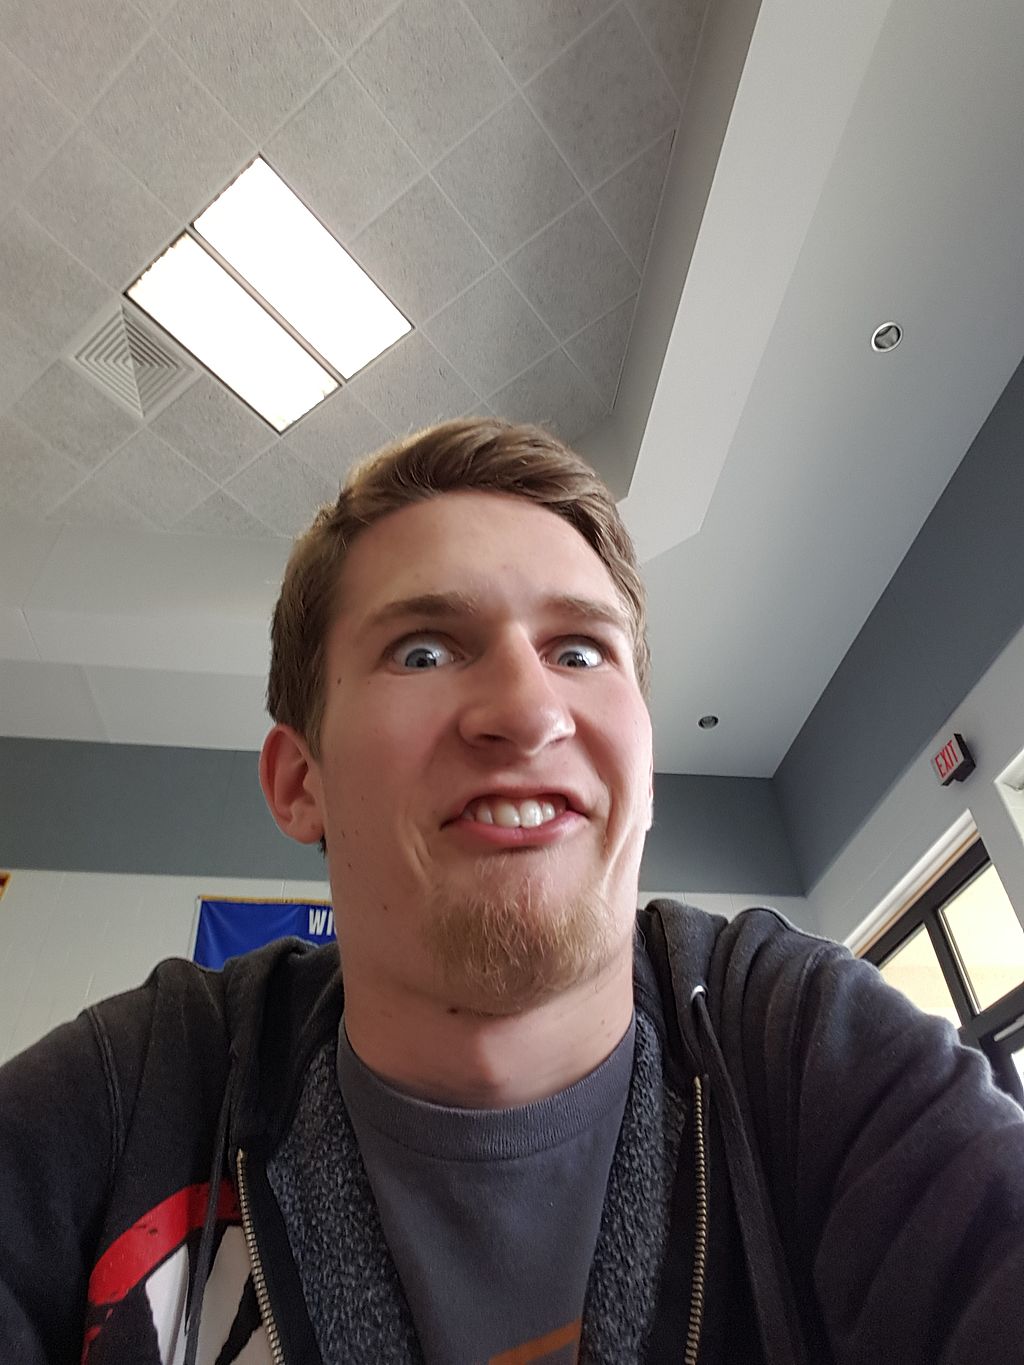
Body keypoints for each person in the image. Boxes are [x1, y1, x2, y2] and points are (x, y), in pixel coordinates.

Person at [1, 418, 1022, 1365]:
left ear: (647, 771)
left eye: (578, 650)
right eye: (424, 650)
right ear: (298, 779)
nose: (527, 712)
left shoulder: (803, 1052)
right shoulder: (136, 1097)